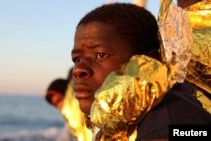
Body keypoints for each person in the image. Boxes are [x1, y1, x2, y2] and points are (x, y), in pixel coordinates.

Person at [71, 2, 211, 140]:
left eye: (100, 55)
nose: (78, 70)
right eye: (76, 59)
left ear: (151, 62)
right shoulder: (120, 121)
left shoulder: (167, 119)